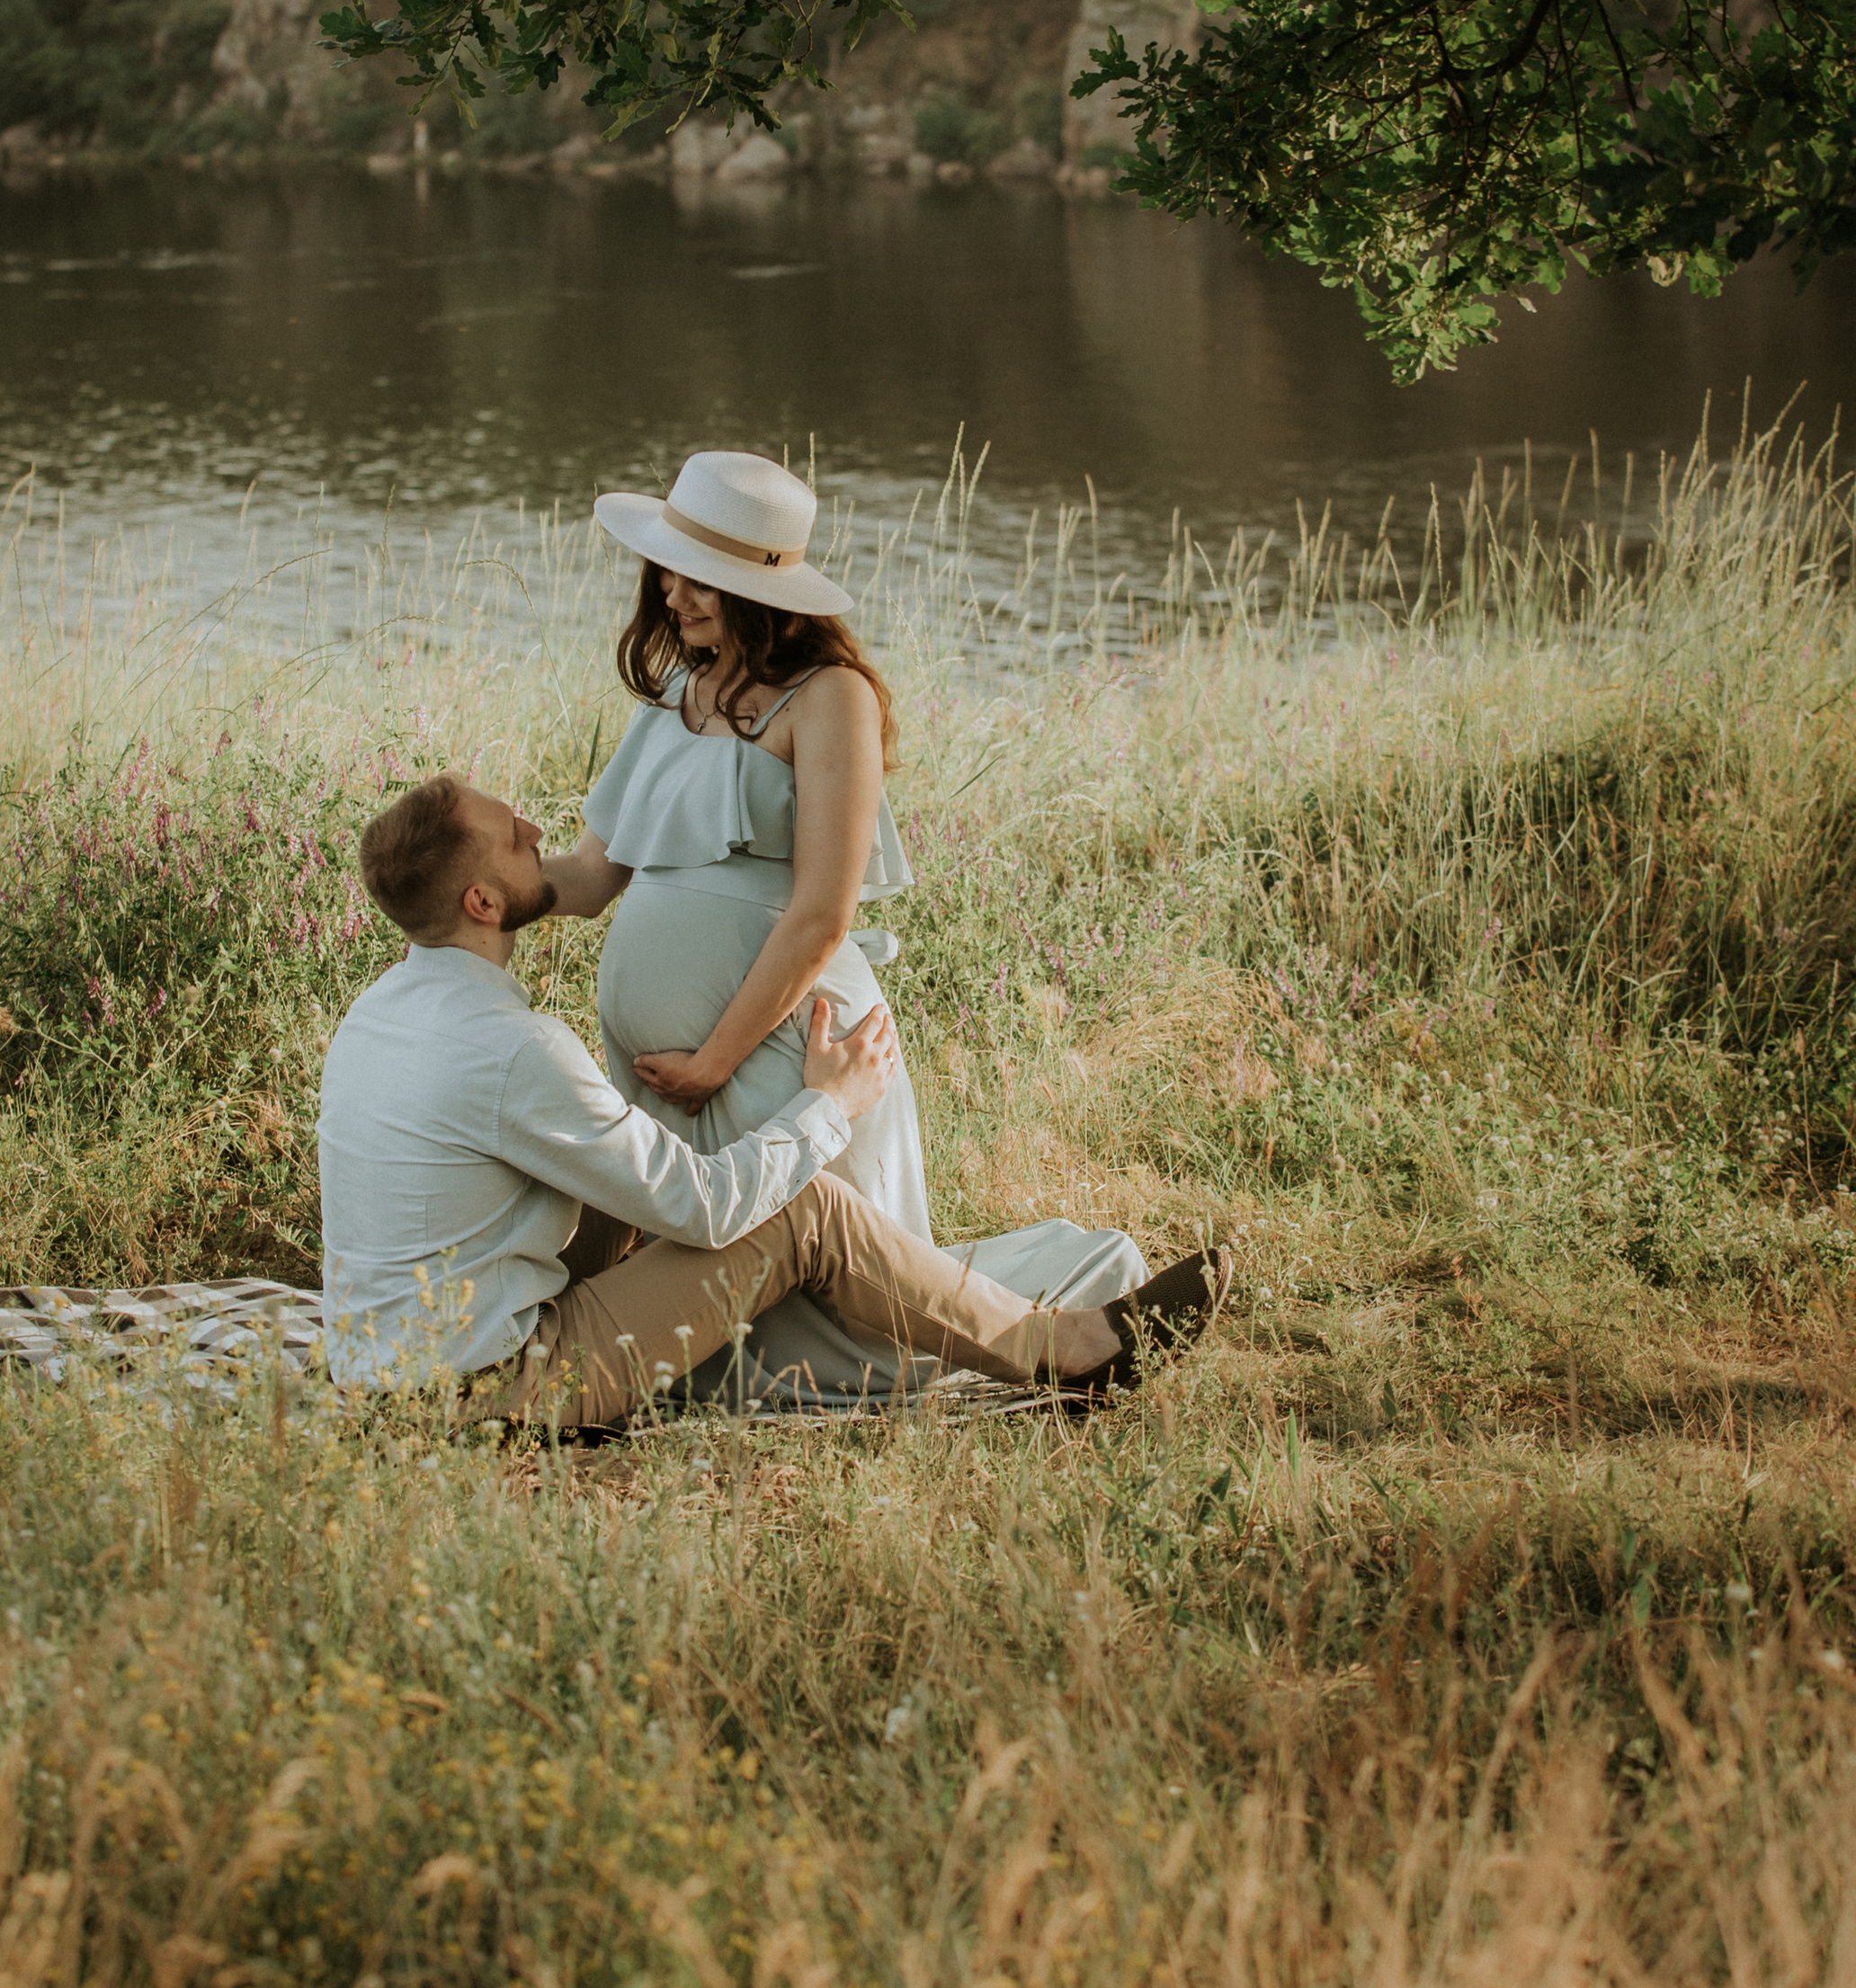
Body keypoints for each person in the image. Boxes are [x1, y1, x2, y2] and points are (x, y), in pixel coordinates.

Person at [317, 770, 1230, 1425]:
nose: (529, 826)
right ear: (482, 902)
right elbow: (706, 1210)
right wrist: (829, 1104)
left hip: (384, 1375)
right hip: (491, 1392)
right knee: (810, 1217)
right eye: (512, 834)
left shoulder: (375, 1019)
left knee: (619, 1180)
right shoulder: (512, 1048)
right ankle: (1065, 1351)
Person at [538, 449, 1154, 1404]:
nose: (672, 595)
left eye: (701, 579)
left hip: (783, 1038)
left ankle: (1052, 1330)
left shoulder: (830, 698)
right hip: (676, 1072)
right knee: (719, 1274)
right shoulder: (673, 698)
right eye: (668, 569)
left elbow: (824, 913)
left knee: (827, 1283)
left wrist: (714, 1058)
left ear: (759, 586)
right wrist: (465, 883)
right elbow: (585, 878)